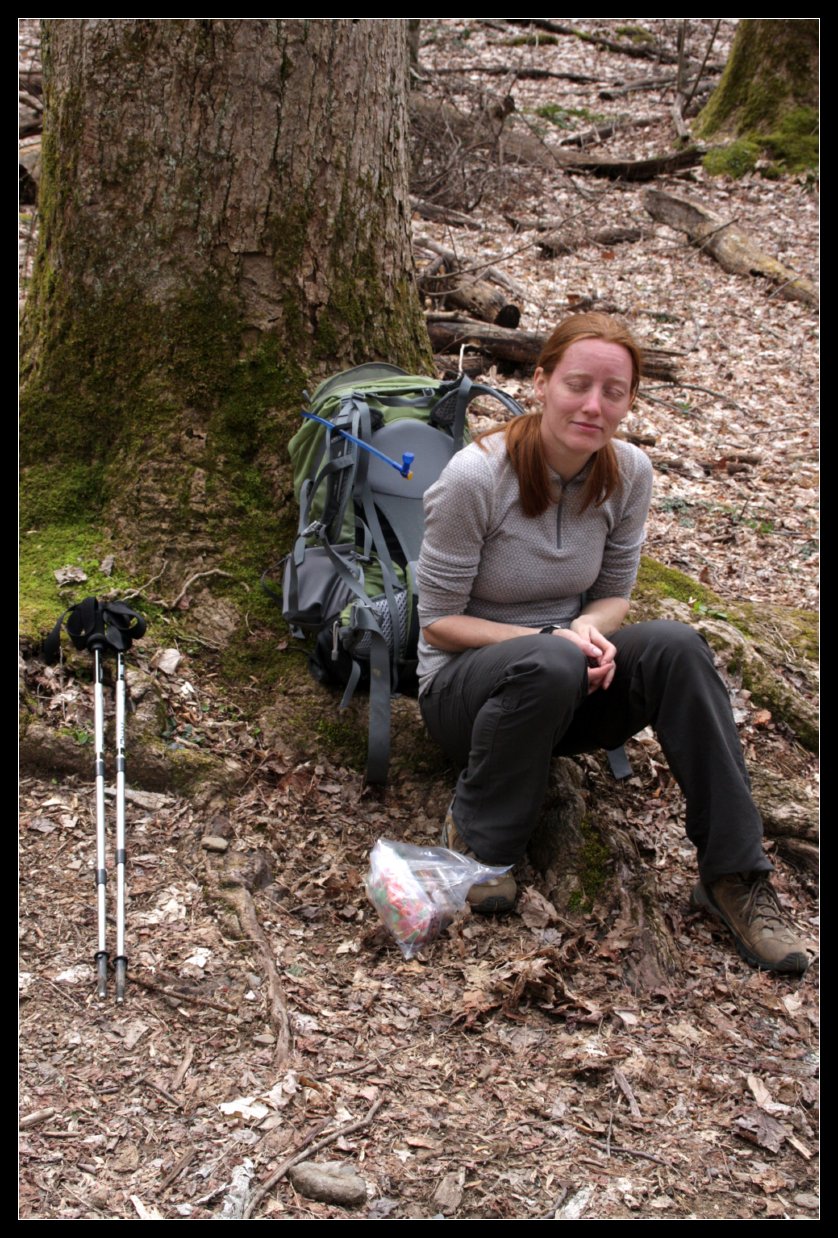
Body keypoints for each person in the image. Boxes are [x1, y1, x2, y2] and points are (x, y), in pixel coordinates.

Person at [415, 312, 811, 975]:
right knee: (548, 659)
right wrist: (553, 639)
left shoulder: (628, 472)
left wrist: (588, 632)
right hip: (465, 694)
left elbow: (613, 595)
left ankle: (734, 876)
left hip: (565, 685)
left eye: (613, 391)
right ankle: (482, 844)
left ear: (629, 401)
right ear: (541, 382)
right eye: (577, 384)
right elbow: (437, 622)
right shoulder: (475, 477)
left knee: (679, 647)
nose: (593, 406)